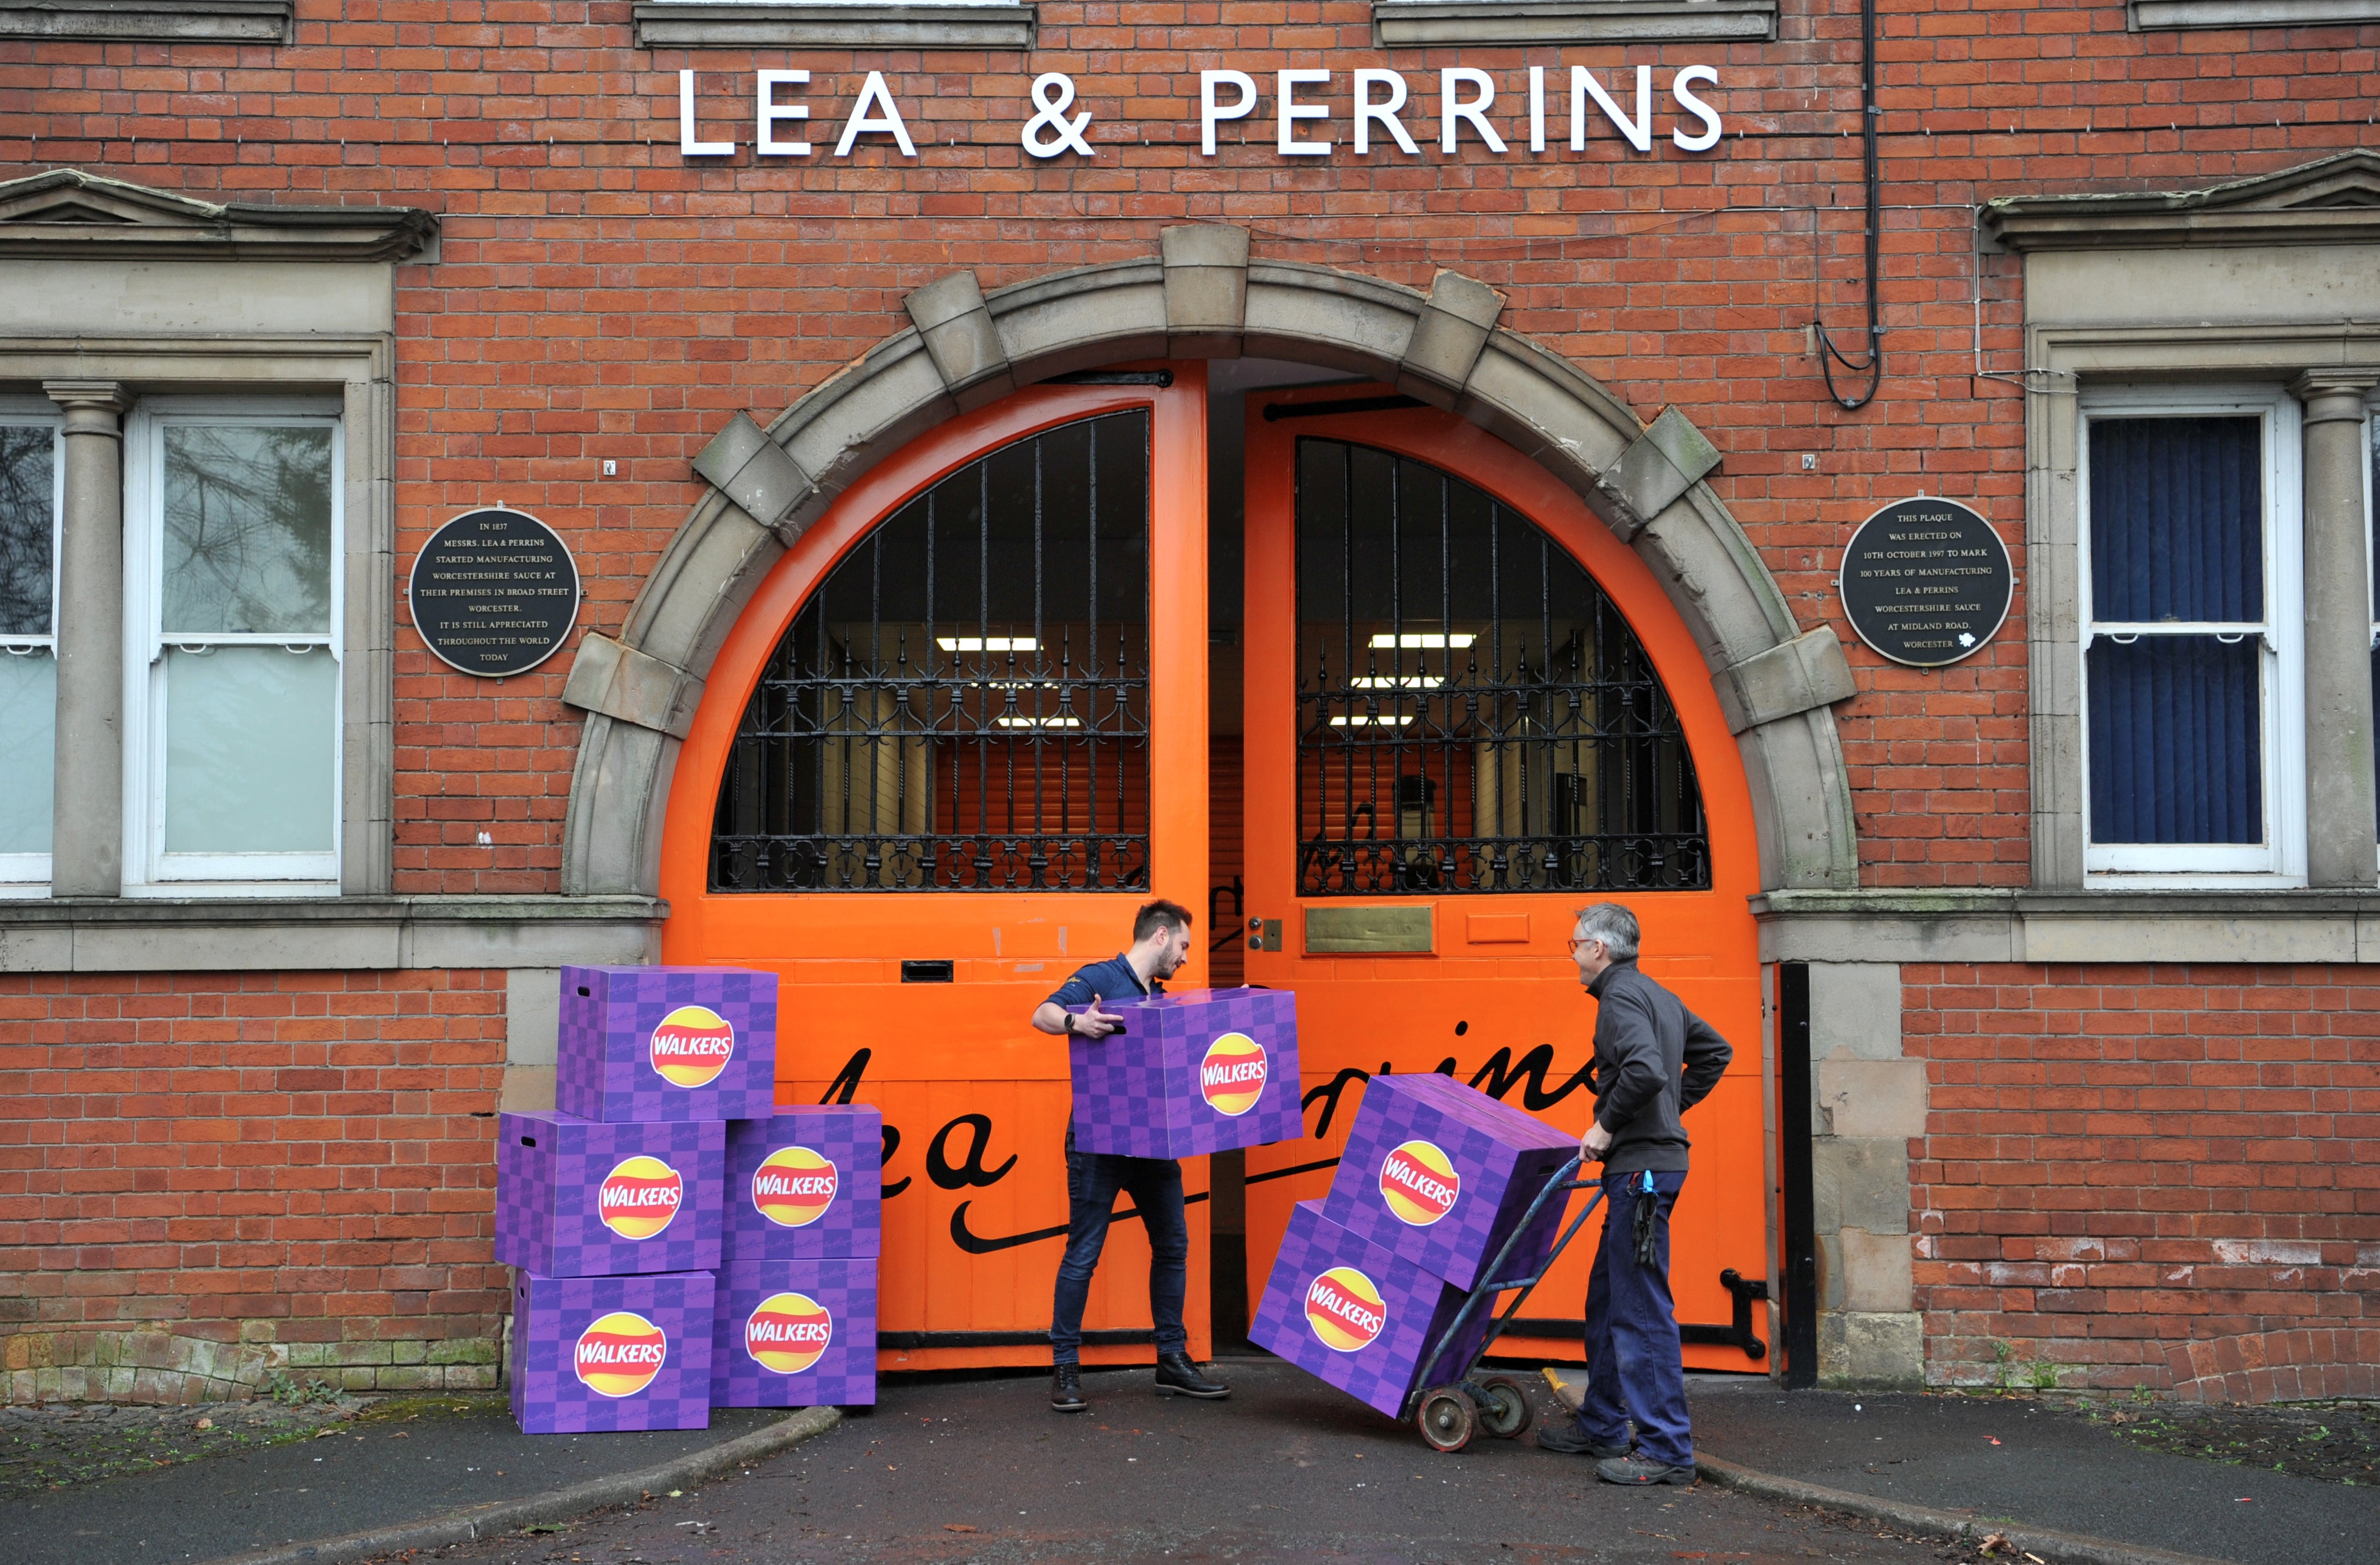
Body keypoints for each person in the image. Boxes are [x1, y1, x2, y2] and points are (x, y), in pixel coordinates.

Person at [1537, 901, 1732, 1486]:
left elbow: (1645, 1071)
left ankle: (1666, 1449)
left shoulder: (1620, 997)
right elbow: (1715, 1052)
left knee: (1639, 1309)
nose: (1572, 953)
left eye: (1574, 943)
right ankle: (1601, 1421)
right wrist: (1667, 1112)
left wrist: (1608, 1125)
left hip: (1639, 1173)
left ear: (1597, 948)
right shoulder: (1657, 994)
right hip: (1646, 1166)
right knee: (1608, 1298)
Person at [1028, 897, 1231, 1414]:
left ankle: (1171, 1360)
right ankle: (1065, 1367)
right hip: (1098, 1142)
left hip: (1153, 1143)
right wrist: (1077, 1023)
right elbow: (1041, 1014)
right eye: (1183, 945)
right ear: (1160, 936)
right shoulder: (1101, 977)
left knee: (1172, 1246)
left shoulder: (1160, 999)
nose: (1185, 956)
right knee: (1084, 1253)